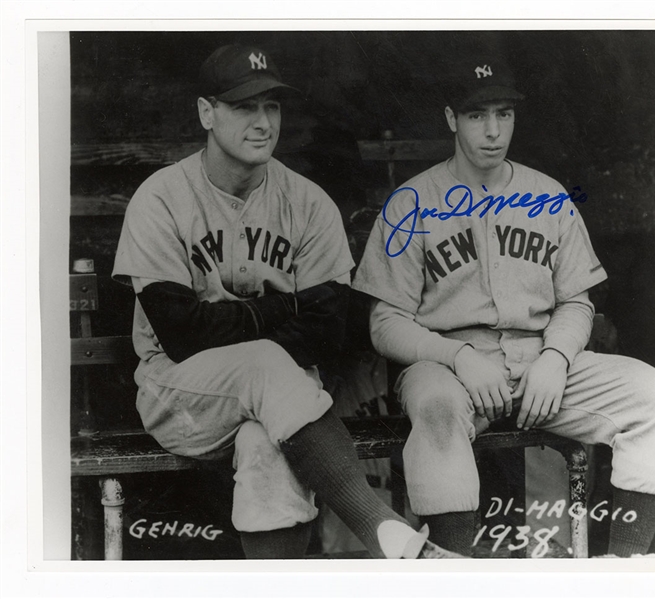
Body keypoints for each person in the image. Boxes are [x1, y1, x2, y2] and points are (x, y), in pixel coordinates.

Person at [112, 44, 461, 559]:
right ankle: (386, 533)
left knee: (265, 445)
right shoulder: (161, 197)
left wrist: (225, 318)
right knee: (265, 361)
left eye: (271, 106)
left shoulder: (308, 202)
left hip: (288, 397)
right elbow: (182, 335)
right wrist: (283, 310)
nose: (262, 122)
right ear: (207, 113)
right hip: (181, 394)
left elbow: (326, 332)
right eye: (244, 106)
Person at [352, 56, 655, 557]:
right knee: (436, 409)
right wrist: (458, 358)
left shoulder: (549, 196)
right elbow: (385, 322)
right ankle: (453, 574)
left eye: (504, 114)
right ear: (452, 118)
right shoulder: (410, 203)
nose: (493, 131)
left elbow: (576, 302)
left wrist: (557, 358)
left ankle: (628, 568)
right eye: (478, 116)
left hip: (541, 363)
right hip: (448, 364)